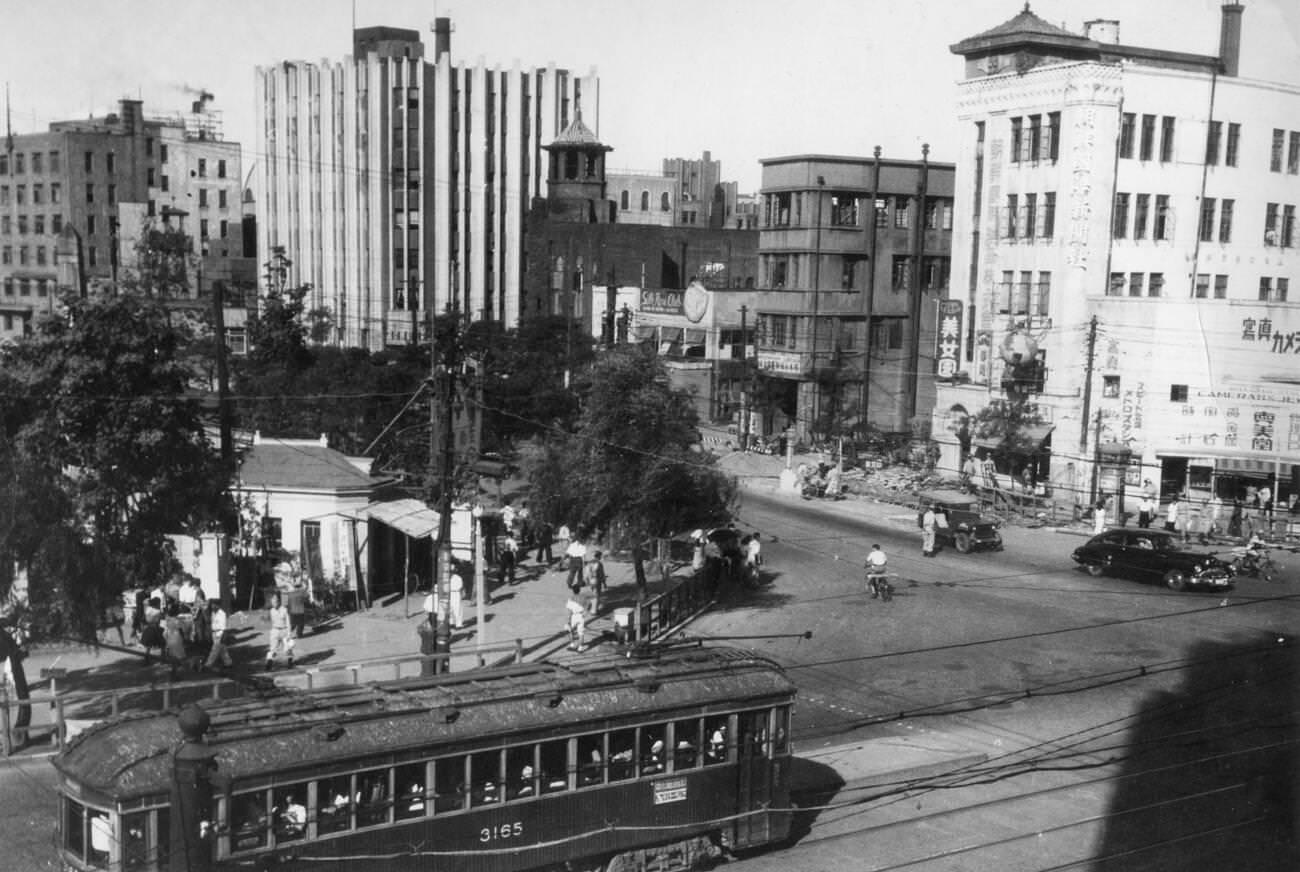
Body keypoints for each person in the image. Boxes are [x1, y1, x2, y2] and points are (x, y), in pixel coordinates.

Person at [0, 570, 32, 750]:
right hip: (7, 653)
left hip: (10, 653)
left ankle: (19, 733)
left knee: (19, 694)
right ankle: (16, 734)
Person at [265, 591, 294, 671]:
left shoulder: (284, 610)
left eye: (275, 600)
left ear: (279, 601)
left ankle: (290, 662)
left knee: (288, 649)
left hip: (284, 630)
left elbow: (288, 622)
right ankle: (269, 664)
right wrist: (272, 632)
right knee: (272, 649)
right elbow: (272, 622)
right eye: (272, 600)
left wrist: (289, 633)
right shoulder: (271, 611)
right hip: (275, 630)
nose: (274, 602)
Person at [204, 598, 233, 671]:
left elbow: (224, 627)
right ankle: (228, 663)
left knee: (214, 649)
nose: (212, 607)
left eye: (214, 605)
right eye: (211, 605)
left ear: (218, 605)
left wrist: (223, 635)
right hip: (214, 632)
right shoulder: (213, 613)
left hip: (220, 633)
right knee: (223, 650)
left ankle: (208, 664)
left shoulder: (222, 614)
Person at [584, 550, 607, 614]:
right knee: (596, 595)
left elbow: (586, 573)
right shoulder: (599, 564)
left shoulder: (589, 563)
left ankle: (592, 608)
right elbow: (602, 574)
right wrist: (604, 583)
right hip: (596, 581)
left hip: (590, 581)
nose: (601, 557)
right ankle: (594, 611)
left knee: (592, 594)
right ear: (598, 556)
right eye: (600, 556)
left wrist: (587, 581)